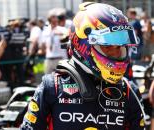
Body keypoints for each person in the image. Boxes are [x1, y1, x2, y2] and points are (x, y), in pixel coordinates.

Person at [20, 2, 145, 130]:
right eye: (107, 47)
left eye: (119, 47)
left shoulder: (129, 91)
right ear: (83, 45)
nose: (116, 53)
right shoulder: (52, 87)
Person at [40, 9, 69, 74]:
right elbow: (43, 45)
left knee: (62, 78)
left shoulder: (62, 29)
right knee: (47, 79)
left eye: (55, 17)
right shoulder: (46, 31)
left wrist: (61, 34)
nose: (55, 19)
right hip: (49, 59)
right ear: (49, 18)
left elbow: (67, 39)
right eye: (53, 17)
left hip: (60, 58)